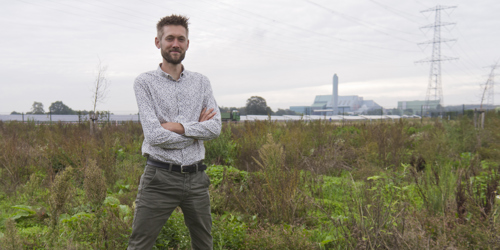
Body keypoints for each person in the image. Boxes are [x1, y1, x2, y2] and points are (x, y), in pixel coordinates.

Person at [128, 14, 221, 250]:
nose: (175, 44)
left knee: (204, 245)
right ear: (158, 42)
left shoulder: (201, 82)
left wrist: (178, 127)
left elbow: (214, 128)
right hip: (159, 178)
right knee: (140, 244)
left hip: (196, 179)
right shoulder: (144, 82)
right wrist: (195, 131)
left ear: (188, 43)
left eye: (181, 39)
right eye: (170, 38)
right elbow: (154, 136)